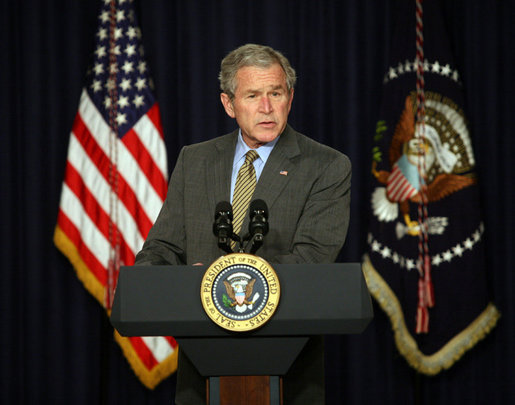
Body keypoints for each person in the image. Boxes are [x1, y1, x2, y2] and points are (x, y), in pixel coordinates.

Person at [135, 43, 351, 405]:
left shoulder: (326, 166)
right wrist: (143, 284)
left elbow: (312, 259)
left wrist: (218, 279)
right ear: (229, 104)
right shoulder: (196, 160)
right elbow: (164, 246)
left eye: (275, 93)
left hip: (287, 364)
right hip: (202, 360)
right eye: (253, 95)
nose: (266, 108)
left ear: (290, 98)